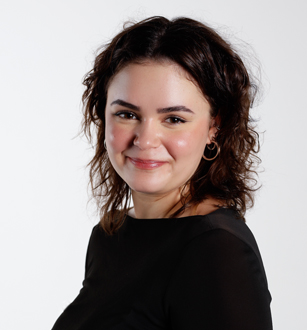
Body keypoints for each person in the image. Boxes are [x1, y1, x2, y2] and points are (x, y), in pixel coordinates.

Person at [52, 16, 273, 330]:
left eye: (174, 119)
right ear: (104, 117)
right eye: (127, 114)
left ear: (214, 127)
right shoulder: (109, 236)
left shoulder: (217, 250)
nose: (145, 140)